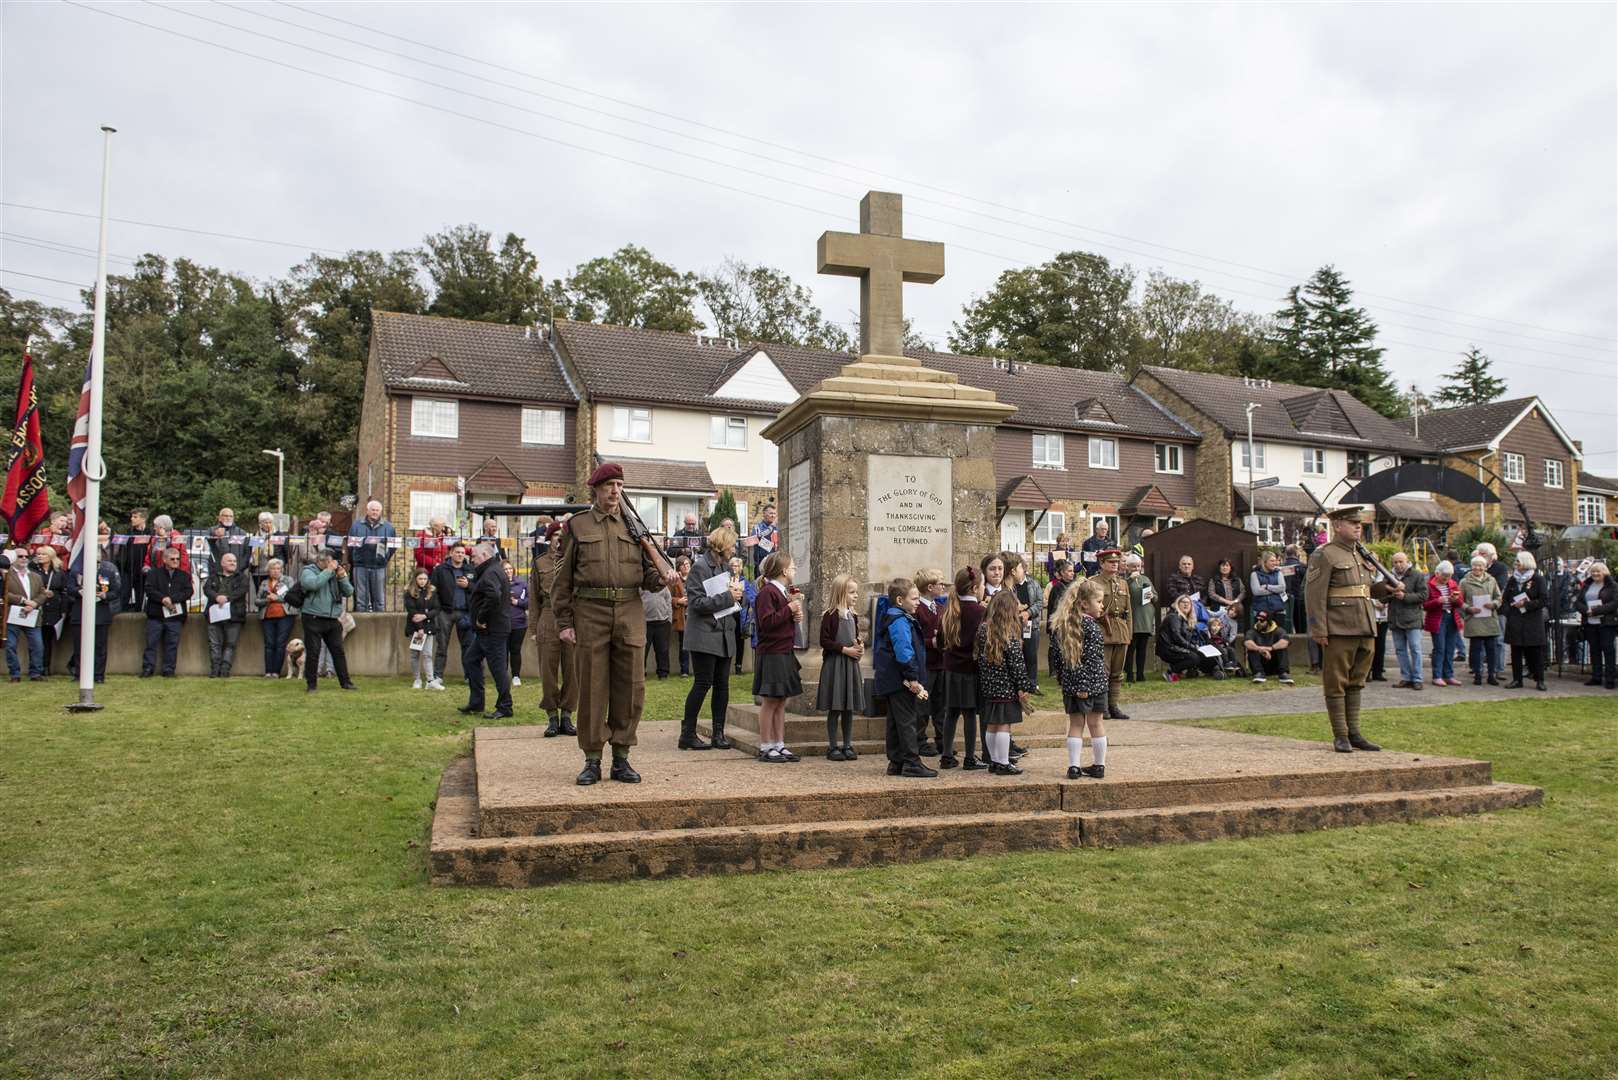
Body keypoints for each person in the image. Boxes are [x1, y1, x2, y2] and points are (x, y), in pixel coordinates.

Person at [553, 462, 675, 785]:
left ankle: (621, 757)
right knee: (592, 686)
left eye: (619, 485)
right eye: (609, 485)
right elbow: (561, 581)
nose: (615, 491)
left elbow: (648, 577)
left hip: (629, 612)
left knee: (631, 686)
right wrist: (564, 622)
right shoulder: (577, 527)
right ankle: (592, 758)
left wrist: (664, 577)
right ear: (595, 489)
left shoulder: (635, 529)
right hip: (590, 611)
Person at [1305, 505, 1401, 753]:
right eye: (1351, 522)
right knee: (1336, 682)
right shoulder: (1324, 554)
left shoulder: (1362, 555)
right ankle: (1341, 735)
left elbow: (1366, 591)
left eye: (1359, 523)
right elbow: (1314, 595)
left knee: (1357, 682)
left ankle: (1355, 732)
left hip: (1364, 625)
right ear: (1337, 526)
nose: (1358, 526)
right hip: (1338, 628)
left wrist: (1387, 591)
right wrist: (1319, 630)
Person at [681, 526, 744, 751]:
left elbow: (731, 601)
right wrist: (728, 597)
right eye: (732, 545)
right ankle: (687, 733)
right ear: (722, 545)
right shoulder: (699, 568)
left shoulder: (726, 567)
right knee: (702, 683)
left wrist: (738, 597)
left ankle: (719, 733)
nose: (734, 549)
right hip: (704, 637)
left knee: (722, 686)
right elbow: (696, 603)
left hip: (724, 635)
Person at [874, 576, 936, 778]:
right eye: (915, 598)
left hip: (892, 679)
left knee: (895, 721)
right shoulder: (899, 620)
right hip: (901, 679)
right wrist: (913, 678)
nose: (918, 602)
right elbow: (903, 651)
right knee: (908, 720)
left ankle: (896, 761)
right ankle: (911, 761)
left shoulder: (895, 617)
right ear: (900, 601)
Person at [1050, 578, 1109, 779]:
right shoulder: (1092, 628)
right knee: (1096, 723)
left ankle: (1074, 766)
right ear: (1084, 603)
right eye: (1099, 601)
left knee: (1076, 725)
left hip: (1073, 685)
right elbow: (1092, 660)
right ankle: (1099, 765)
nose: (1102, 606)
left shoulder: (1062, 626)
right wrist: (1085, 685)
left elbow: (1056, 658)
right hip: (1094, 685)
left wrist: (1063, 680)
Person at [750, 552, 803, 763]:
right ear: (783, 571)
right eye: (792, 567)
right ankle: (766, 745)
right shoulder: (767, 592)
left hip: (784, 651)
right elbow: (766, 622)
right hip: (772, 652)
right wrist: (788, 610)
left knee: (781, 700)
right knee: (770, 700)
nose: (794, 570)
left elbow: (781, 619)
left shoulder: (782, 592)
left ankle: (779, 744)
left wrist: (793, 615)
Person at [974, 589, 1033, 775]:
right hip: (1006, 686)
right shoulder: (1009, 632)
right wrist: (1023, 686)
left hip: (989, 685)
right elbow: (1017, 664)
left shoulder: (984, 628)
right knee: (1004, 725)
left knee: (992, 724)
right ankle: (1003, 762)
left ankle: (993, 761)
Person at [531, 525, 578, 738]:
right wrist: (534, 627)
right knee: (548, 671)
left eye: (563, 536)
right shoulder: (540, 562)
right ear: (550, 539)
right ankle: (551, 716)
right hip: (548, 616)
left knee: (572, 669)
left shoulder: (575, 561)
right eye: (556, 535)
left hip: (571, 616)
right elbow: (533, 599)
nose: (559, 539)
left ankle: (567, 715)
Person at [458, 542, 513, 719]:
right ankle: (476, 702)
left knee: (497, 669)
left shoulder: (490, 572)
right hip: (486, 631)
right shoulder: (491, 570)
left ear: (484, 556)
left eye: (473, 556)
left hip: (492, 629)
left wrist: (481, 618)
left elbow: (494, 596)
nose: (471, 559)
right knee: (470, 660)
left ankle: (505, 706)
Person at [939, 566, 986, 771]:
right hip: (970, 669)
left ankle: (946, 755)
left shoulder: (949, 610)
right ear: (975, 588)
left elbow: (941, 639)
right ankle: (969, 757)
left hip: (950, 668)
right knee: (969, 713)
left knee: (951, 712)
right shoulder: (980, 612)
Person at [817, 574, 866, 761]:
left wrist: (859, 645)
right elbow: (825, 640)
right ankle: (832, 746)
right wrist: (845, 649)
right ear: (840, 593)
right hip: (836, 664)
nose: (855, 596)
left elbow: (856, 635)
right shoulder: (830, 615)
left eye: (856, 592)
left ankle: (847, 744)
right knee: (835, 706)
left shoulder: (853, 615)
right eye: (851, 592)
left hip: (850, 665)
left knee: (848, 707)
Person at [298, 547, 356, 692]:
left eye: (333, 561)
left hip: (332, 618)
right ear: (320, 561)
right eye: (330, 561)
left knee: (338, 651)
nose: (334, 564)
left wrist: (342, 577)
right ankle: (311, 685)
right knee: (313, 652)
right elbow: (313, 584)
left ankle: (346, 682)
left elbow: (349, 591)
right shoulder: (308, 571)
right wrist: (328, 571)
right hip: (313, 617)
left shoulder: (335, 572)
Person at [65, 547, 121, 684]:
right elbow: (69, 588)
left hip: (100, 614)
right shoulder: (76, 572)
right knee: (79, 647)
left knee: (100, 647)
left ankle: (98, 675)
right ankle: (79, 674)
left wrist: (105, 595)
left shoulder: (107, 573)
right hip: (80, 613)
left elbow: (116, 591)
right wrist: (80, 591)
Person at [912, 567, 949, 755]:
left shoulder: (941, 608)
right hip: (926, 664)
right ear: (929, 587)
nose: (943, 586)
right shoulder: (918, 609)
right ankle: (919, 740)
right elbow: (915, 637)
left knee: (941, 704)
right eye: (939, 583)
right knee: (923, 705)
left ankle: (942, 739)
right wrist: (932, 642)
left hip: (941, 663)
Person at [141, 544, 192, 678]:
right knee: (151, 644)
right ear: (164, 559)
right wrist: (162, 598)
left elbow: (188, 591)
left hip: (175, 617)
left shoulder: (184, 575)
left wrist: (172, 599)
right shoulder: (154, 573)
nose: (176, 561)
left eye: (177, 559)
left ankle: (169, 669)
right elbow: (149, 589)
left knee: (172, 645)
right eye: (172, 559)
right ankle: (148, 668)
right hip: (155, 615)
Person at [1094, 548, 1132, 719]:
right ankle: (1102, 707)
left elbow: (1128, 610)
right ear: (1102, 564)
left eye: (1117, 562)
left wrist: (1128, 633)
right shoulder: (1093, 583)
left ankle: (1113, 705)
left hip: (1120, 630)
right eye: (1111, 562)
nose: (1115, 565)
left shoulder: (1122, 583)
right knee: (1103, 672)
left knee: (1117, 673)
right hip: (1103, 630)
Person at [430, 542, 475, 688]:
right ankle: (438, 676)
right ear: (451, 554)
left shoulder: (470, 569)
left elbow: (478, 589)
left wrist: (468, 585)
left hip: (465, 612)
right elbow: (433, 591)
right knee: (442, 645)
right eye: (457, 552)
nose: (460, 555)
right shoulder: (441, 570)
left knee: (468, 646)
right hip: (445, 612)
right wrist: (437, 610)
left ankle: (470, 676)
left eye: (462, 553)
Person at [1503, 551, 1548, 692]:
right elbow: (1506, 599)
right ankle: (1517, 679)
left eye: (1518, 561)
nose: (1516, 564)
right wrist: (1508, 610)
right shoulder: (1512, 580)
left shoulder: (1538, 579)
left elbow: (1543, 600)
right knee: (1516, 651)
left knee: (1535, 652)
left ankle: (1539, 679)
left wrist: (1526, 605)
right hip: (1515, 619)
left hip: (1532, 620)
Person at [203, 551, 252, 678]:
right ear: (222, 563)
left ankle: (225, 670)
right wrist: (216, 597)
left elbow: (241, 591)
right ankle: (215, 670)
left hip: (234, 616)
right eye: (230, 561)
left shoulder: (242, 578)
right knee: (214, 644)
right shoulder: (214, 577)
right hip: (214, 615)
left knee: (230, 644)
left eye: (235, 561)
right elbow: (207, 589)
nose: (233, 563)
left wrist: (227, 598)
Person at [1459, 555, 1503, 686]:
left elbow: (1499, 597)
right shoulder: (1464, 582)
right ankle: (1477, 675)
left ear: (1485, 567)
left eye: (1480, 565)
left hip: (1489, 618)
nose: (1478, 568)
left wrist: (1494, 604)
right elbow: (1458, 601)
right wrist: (1468, 608)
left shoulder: (1492, 580)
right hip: (1474, 619)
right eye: (1475, 565)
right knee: (1476, 649)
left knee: (1491, 649)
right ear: (1471, 566)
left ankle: (1491, 675)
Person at [4, 550, 47, 682]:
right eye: (20, 556)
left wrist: (34, 603)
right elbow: (4, 593)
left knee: (37, 645)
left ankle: (35, 673)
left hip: (32, 614)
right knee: (10, 645)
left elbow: (43, 593)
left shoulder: (36, 576)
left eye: (26, 556)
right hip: (13, 614)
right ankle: (14, 674)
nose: (24, 558)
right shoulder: (6, 575)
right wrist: (22, 600)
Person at [1386, 552, 1427, 691]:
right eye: (1395, 562)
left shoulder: (1417, 575)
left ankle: (1417, 678)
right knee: (1400, 650)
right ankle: (1406, 677)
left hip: (1412, 618)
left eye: (1400, 562)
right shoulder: (1388, 577)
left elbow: (1423, 595)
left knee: (1415, 649)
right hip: (1395, 619)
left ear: (1407, 561)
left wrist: (1405, 596)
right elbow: (1381, 598)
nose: (1398, 565)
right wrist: (1390, 592)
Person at [1156, 592, 1220, 681]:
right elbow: (1176, 636)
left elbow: (1187, 638)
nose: (1186, 604)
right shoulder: (1174, 616)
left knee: (1202, 654)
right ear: (1178, 604)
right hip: (1168, 649)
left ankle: (1211, 671)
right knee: (1194, 658)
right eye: (1183, 602)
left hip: (1177, 648)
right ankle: (1170, 672)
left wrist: (1198, 646)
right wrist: (1192, 647)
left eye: (1188, 603)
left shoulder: (1186, 620)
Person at [348, 499, 397, 613]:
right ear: (367, 510)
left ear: (381, 512)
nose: (375, 512)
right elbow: (350, 545)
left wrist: (385, 557)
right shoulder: (356, 526)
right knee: (361, 600)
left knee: (379, 600)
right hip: (360, 566)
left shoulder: (388, 527)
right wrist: (355, 559)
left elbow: (393, 545)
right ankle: (362, 626)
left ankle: (379, 626)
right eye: (373, 510)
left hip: (379, 567)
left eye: (377, 510)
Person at [1573, 561, 1616, 689]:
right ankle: (1596, 677)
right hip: (1590, 622)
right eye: (1593, 572)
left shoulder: (1613, 586)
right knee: (1594, 650)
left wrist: (1596, 610)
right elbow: (1578, 602)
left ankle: (1610, 679)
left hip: (1606, 623)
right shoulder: (1587, 585)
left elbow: (1614, 603)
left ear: (1604, 572)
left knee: (1608, 651)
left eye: (1598, 571)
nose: (1595, 574)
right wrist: (1586, 610)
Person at [1005, 552, 1043, 693]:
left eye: (1024, 567)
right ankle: (1020, 685)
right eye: (1022, 566)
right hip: (1016, 624)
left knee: (1031, 655)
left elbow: (1039, 602)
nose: (1024, 569)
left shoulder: (1033, 583)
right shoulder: (1010, 587)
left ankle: (1033, 684)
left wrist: (1028, 613)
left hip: (1031, 626)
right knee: (1017, 655)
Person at [1424, 560, 1464, 687]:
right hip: (1437, 619)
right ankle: (1437, 676)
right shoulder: (1429, 585)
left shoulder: (1453, 584)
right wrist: (1438, 601)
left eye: (1449, 576)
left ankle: (1448, 675)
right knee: (1440, 648)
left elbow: (1460, 603)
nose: (1446, 579)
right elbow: (1424, 605)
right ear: (1437, 573)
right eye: (1444, 576)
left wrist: (1455, 599)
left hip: (1452, 618)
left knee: (1450, 648)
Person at [257, 558, 297, 679]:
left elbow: (292, 596)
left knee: (280, 644)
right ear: (268, 570)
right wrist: (267, 600)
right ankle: (268, 671)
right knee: (269, 644)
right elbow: (257, 600)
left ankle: (276, 672)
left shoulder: (288, 580)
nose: (276, 571)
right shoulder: (264, 583)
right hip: (268, 616)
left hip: (284, 615)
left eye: (278, 568)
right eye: (273, 569)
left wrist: (277, 598)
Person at [403, 568, 441, 690]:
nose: (423, 581)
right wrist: (419, 628)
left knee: (428, 654)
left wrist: (425, 615)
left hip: (429, 627)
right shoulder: (409, 592)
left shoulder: (432, 591)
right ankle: (417, 679)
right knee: (415, 654)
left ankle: (430, 680)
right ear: (415, 579)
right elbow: (412, 612)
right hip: (416, 629)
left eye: (425, 578)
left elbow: (436, 608)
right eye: (420, 578)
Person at [1478, 542, 1510, 680]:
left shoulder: (1500, 567)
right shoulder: (1476, 568)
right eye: (1479, 553)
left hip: (1498, 609)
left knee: (1498, 640)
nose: (1480, 556)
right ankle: (1481, 669)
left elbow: (1500, 585)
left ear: (1491, 556)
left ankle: (1498, 669)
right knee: (1481, 640)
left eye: (1483, 554)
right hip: (1480, 608)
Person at [33, 547, 67, 675]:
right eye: (38, 554)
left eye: (43, 554)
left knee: (48, 640)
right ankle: (37, 667)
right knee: (37, 640)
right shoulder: (33, 570)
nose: (40, 556)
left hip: (53, 609)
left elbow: (65, 592)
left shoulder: (59, 572)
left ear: (50, 556)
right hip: (38, 608)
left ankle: (46, 667)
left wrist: (63, 610)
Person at [1125, 553, 1156, 684]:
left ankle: (1141, 674)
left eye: (1138, 566)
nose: (1136, 569)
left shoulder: (1146, 579)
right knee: (1131, 648)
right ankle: (1129, 674)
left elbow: (1156, 596)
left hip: (1146, 616)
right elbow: (1122, 592)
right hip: (1133, 616)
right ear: (1127, 567)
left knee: (1142, 648)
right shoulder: (1124, 580)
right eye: (1133, 566)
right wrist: (1130, 579)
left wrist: (1152, 595)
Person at [1244, 608, 1294, 684]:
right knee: (1251, 649)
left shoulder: (1278, 630)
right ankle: (1259, 673)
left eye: (1262, 620)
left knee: (1282, 648)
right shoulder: (1252, 631)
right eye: (1257, 620)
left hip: (1274, 663)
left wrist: (1270, 648)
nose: (1258, 622)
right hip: (1260, 662)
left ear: (1268, 621)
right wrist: (1260, 649)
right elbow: (1247, 643)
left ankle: (1283, 673)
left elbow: (1285, 642)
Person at [727, 555, 757, 675]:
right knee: (729, 640)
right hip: (729, 613)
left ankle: (738, 666)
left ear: (740, 568)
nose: (735, 567)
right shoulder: (727, 579)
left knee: (740, 641)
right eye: (733, 565)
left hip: (741, 614)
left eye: (737, 565)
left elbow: (751, 597)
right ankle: (727, 665)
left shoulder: (744, 581)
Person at [119, 507, 153, 608]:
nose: (132, 519)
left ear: (143, 519)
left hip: (143, 571)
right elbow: (122, 550)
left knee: (140, 599)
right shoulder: (128, 532)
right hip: (128, 571)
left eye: (135, 517)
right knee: (124, 597)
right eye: (132, 516)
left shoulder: (150, 533)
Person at [641, 578, 672, 679]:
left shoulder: (664, 587)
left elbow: (668, 601)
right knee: (643, 650)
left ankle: (663, 673)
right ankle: (641, 672)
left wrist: (669, 620)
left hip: (662, 622)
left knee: (662, 650)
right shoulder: (642, 587)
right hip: (645, 623)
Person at [506, 561, 529, 688]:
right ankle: (502, 675)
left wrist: (517, 602)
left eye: (510, 569)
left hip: (519, 623)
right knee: (502, 651)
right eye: (505, 569)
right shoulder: (499, 584)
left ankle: (516, 676)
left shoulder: (522, 584)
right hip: (502, 623)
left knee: (515, 650)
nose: (508, 571)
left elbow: (530, 601)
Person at [247, 512, 283, 590]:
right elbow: (250, 552)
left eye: (270, 522)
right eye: (265, 522)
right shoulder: (255, 536)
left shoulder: (278, 535)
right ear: (260, 524)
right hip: (258, 571)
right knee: (260, 593)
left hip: (273, 571)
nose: (268, 524)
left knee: (274, 591)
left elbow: (285, 552)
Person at [670, 554, 691, 677]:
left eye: (688, 564)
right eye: (684, 564)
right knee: (683, 643)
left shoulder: (694, 578)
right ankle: (684, 670)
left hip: (694, 614)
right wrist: (679, 601)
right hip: (682, 615)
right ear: (679, 567)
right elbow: (668, 597)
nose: (687, 566)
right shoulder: (675, 580)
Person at [748, 504, 779, 572]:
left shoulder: (777, 529)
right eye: (771, 513)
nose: (773, 516)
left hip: (776, 563)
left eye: (774, 513)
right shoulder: (757, 528)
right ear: (764, 514)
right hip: (761, 564)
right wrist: (771, 527)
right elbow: (757, 541)